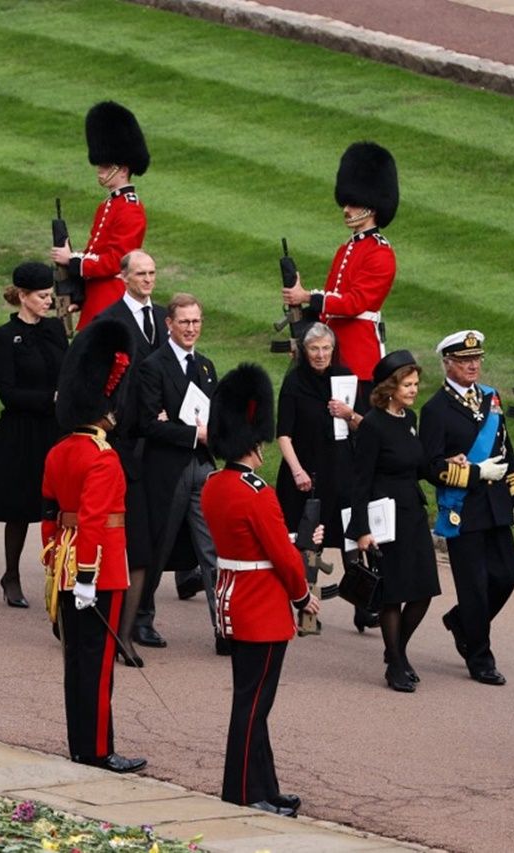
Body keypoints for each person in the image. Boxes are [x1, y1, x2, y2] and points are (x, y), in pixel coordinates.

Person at [203, 362, 320, 817]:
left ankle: (265, 786)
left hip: (234, 599)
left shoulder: (216, 484)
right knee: (252, 708)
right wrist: (302, 595)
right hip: (263, 607)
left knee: (253, 704)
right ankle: (243, 792)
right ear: (255, 439)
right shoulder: (256, 491)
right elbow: (282, 558)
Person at [41, 318, 145, 773]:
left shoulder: (60, 451)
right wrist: (87, 577)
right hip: (98, 573)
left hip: (65, 565)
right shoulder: (103, 458)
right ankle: (99, 750)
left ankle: (80, 745)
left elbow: (50, 517)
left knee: (75, 666)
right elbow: (95, 523)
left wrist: (58, 568)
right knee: (98, 669)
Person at [420, 331, 514, 686]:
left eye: (477, 359)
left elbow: (506, 450)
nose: (473, 365)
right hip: (462, 507)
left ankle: (461, 621)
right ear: (448, 364)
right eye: (465, 361)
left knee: (509, 572)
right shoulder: (435, 410)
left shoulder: (490, 398)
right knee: (475, 587)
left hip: (495, 503)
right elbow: (431, 467)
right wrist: (476, 471)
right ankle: (479, 656)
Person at [281, 141, 399, 411]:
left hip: (358, 356)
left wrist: (308, 296)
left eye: (354, 203)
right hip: (330, 351)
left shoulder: (380, 253)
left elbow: (354, 303)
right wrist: (305, 338)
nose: (346, 209)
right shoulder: (346, 248)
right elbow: (329, 307)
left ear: (372, 205)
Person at [347, 350, 439, 693]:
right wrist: (362, 531)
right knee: (393, 594)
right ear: (390, 388)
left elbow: (419, 465)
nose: (414, 390)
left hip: (413, 515)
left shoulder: (409, 418)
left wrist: (451, 465)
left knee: (424, 591)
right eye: (408, 384)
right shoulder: (372, 425)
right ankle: (396, 665)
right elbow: (360, 481)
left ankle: (396, 652)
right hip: (386, 519)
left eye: (416, 384)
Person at [94, 250, 167, 664]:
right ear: (124, 277)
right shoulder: (110, 321)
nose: (148, 280)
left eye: (152, 273)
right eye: (140, 273)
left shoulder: (162, 319)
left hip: (152, 442)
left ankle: (138, 619)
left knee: (148, 539)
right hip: (119, 439)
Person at [136, 292, 220, 651]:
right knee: (158, 548)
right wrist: (193, 433)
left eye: (196, 321)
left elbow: (214, 418)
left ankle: (225, 627)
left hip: (203, 468)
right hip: (167, 473)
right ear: (169, 324)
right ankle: (141, 619)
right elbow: (148, 423)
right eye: (184, 322)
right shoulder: (153, 366)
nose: (191, 328)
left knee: (213, 552)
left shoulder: (206, 366)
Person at [0, 261, 68, 608]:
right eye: (42, 296)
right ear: (22, 296)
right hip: (21, 432)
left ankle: (63, 572)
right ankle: (11, 575)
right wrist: (50, 398)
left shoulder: (56, 330)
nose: (48, 301)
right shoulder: (4, 337)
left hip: (56, 430)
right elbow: (8, 392)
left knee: (62, 508)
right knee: (19, 509)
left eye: (50, 295)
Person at [274, 322, 358, 630]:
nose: (321, 355)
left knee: (352, 541)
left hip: (340, 474)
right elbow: (283, 434)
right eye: (314, 349)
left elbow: (364, 426)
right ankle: (306, 611)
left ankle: (363, 604)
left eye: (326, 348)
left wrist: (348, 415)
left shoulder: (344, 378)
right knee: (310, 545)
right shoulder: (295, 382)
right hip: (305, 476)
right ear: (304, 351)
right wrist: (297, 471)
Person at [50, 102, 149, 331]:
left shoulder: (130, 209)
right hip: (96, 297)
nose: (100, 171)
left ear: (122, 170)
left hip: (112, 298)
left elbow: (116, 260)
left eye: (105, 167)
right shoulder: (108, 205)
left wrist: (72, 260)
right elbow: (95, 252)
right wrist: (78, 294)